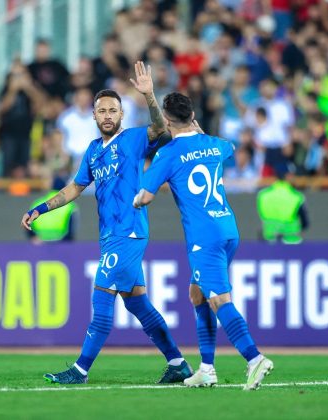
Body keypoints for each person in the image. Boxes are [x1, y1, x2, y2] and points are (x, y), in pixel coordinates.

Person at [21, 62, 192, 385]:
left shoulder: (134, 140)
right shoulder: (92, 151)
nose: (108, 115)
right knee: (138, 304)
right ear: (95, 117)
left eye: (114, 110)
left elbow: (161, 129)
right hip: (110, 235)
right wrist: (41, 208)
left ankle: (80, 370)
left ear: (122, 115)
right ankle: (178, 363)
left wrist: (150, 96)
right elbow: (74, 188)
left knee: (101, 299)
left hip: (128, 233)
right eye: (102, 111)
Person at [133, 92, 273, 391]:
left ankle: (254, 358)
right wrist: (197, 130)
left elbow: (144, 197)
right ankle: (207, 369)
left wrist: (134, 200)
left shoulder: (167, 154)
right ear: (192, 118)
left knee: (219, 299)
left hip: (203, 237)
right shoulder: (215, 144)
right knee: (198, 294)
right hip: (228, 229)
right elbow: (228, 147)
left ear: (167, 121)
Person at [257, 167, 309, 244]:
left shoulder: (262, 195)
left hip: (269, 240)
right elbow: (305, 223)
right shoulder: (297, 196)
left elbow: (262, 216)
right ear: (288, 176)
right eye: (292, 175)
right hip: (291, 242)